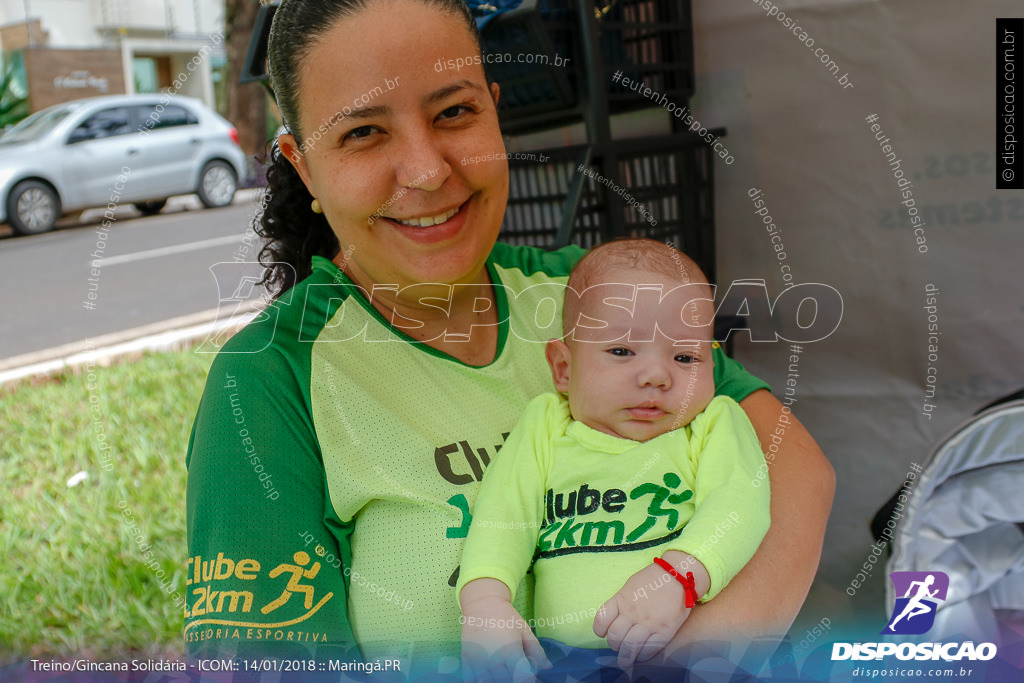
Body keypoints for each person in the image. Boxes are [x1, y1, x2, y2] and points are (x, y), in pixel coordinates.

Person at [184, 0, 835, 674]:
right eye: (364, 133)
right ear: (304, 164)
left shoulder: (584, 297)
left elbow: (795, 471)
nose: (426, 169)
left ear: (495, 113)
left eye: (453, 113)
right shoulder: (270, 379)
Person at [457, 241, 770, 675]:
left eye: (685, 357)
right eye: (622, 351)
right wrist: (485, 601)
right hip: (561, 659)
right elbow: (504, 512)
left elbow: (740, 504)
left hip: (691, 645)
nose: (657, 376)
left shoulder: (713, 423)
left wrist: (679, 575)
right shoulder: (547, 424)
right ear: (564, 369)